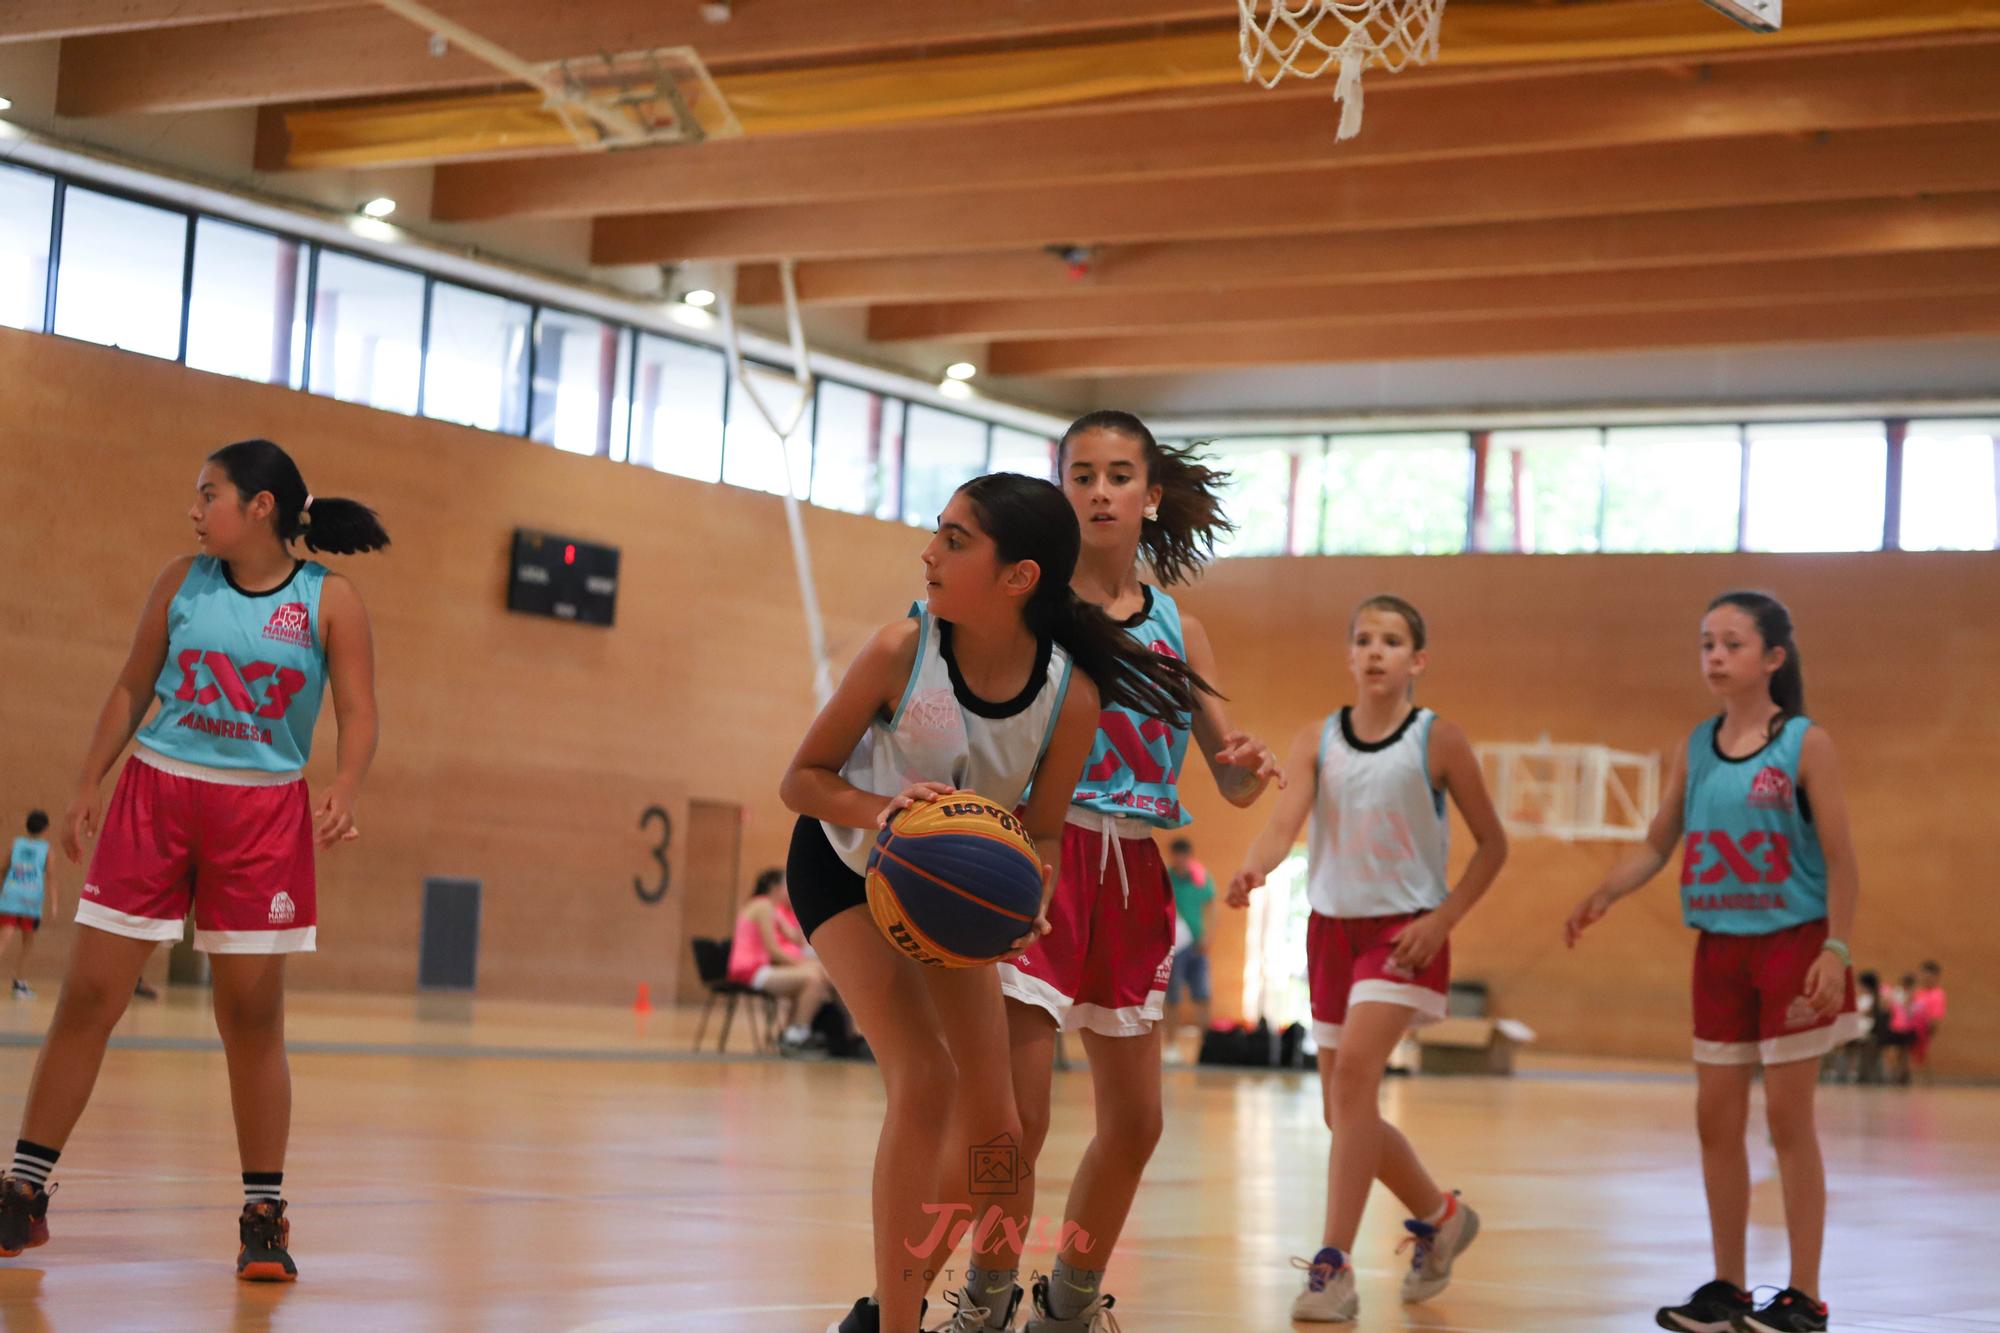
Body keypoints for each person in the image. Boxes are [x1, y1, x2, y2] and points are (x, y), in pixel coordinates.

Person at [778, 472, 1206, 1333]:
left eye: (956, 539)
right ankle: (891, 1323)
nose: (929, 552)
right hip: (847, 867)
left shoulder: (1069, 695)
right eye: (936, 532)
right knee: (925, 1078)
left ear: (1018, 577)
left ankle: (984, 1301)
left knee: (1001, 1134)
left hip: (955, 898)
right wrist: (883, 814)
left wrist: (1032, 895)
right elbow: (801, 780)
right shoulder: (903, 648)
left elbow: (1043, 833)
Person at [0, 438, 386, 1283]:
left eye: (208, 493)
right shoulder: (182, 581)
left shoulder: (330, 600)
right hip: (157, 791)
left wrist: (347, 786)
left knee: (250, 1018)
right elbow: (132, 684)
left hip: (263, 811)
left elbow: (358, 710)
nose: (193, 508)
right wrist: (85, 783)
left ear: (261, 507)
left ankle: (263, 1213)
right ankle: (23, 1192)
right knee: (91, 994)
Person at [986, 411, 1283, 1333]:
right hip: (1038, 857)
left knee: (1139, 1121)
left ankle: (1068, 1301)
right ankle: (984, 1296)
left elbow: (1225, 781)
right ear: (1060, 488)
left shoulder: (1177, 626)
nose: (1101, 490)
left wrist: (1245, 765)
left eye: (1120, 475)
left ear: (1151, 496)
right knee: (1019, 1120)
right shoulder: (1028, 608)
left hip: (1135, 873)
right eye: (1083, 474)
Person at [1567, 591, 1860, 1333]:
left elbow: (1842, 861)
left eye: (1731, 643)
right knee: (1713, 1120)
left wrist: (1837, 945)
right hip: (1718, 948)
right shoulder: (1694, 746)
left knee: (1789, 1119)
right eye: (1706, 643)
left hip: (1793, 942)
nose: (1716, 656)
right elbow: (1658, 842)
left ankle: (1804, 1296)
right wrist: (1604, 889)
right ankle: (1728, 1287)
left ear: (1772, 657)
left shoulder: (1805, 744)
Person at [1230, 594, 1508, 1323]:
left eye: (1391, 640)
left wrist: (1443, 917)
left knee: (1354, 1075)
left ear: (1417, 659)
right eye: (1363, 638)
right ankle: (1439, 1213)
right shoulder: (1317, 738)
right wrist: (1253, 869)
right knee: (1342, 1110)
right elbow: (1283, 823)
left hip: (1405, 930)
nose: (1375, 650)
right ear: (1350, 655)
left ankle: (1332, 1265)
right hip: (1331, 930)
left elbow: (1494, 845)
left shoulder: (1437, 739)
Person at [725, 867, 834, 1053]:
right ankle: (796, 1035)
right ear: (774, 887)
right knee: (814, 978)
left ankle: (794, 1032)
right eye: (787, 884)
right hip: (751, 971)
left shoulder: (774, 910)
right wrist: (805, 964)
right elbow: (773, 951)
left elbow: (797, 940)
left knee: (818, 974)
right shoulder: (762, 906)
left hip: (761, 968)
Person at [1164, 837, 1214, 1039]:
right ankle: (1171, 1044)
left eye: (1184, 856)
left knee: (1202, 994)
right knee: (1172, 995)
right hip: (1174, 945)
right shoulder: (1165, 878)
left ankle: (1207, 1046)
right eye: (1177, 856)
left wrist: (1207, 937)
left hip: (1196, 945)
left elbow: (1211, 907)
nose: (1180, 860)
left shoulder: (1200, 878)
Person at [1, 813, 55, 999]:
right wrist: (54, 904)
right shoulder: (46, 849)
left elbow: (4, 869)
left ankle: (20, 984)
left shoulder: (16, 844)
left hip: (11, 895)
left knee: (3, 940)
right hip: (31, 900)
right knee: (28, 943)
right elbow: (51, 877)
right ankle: (19, 984)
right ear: (46, 828)